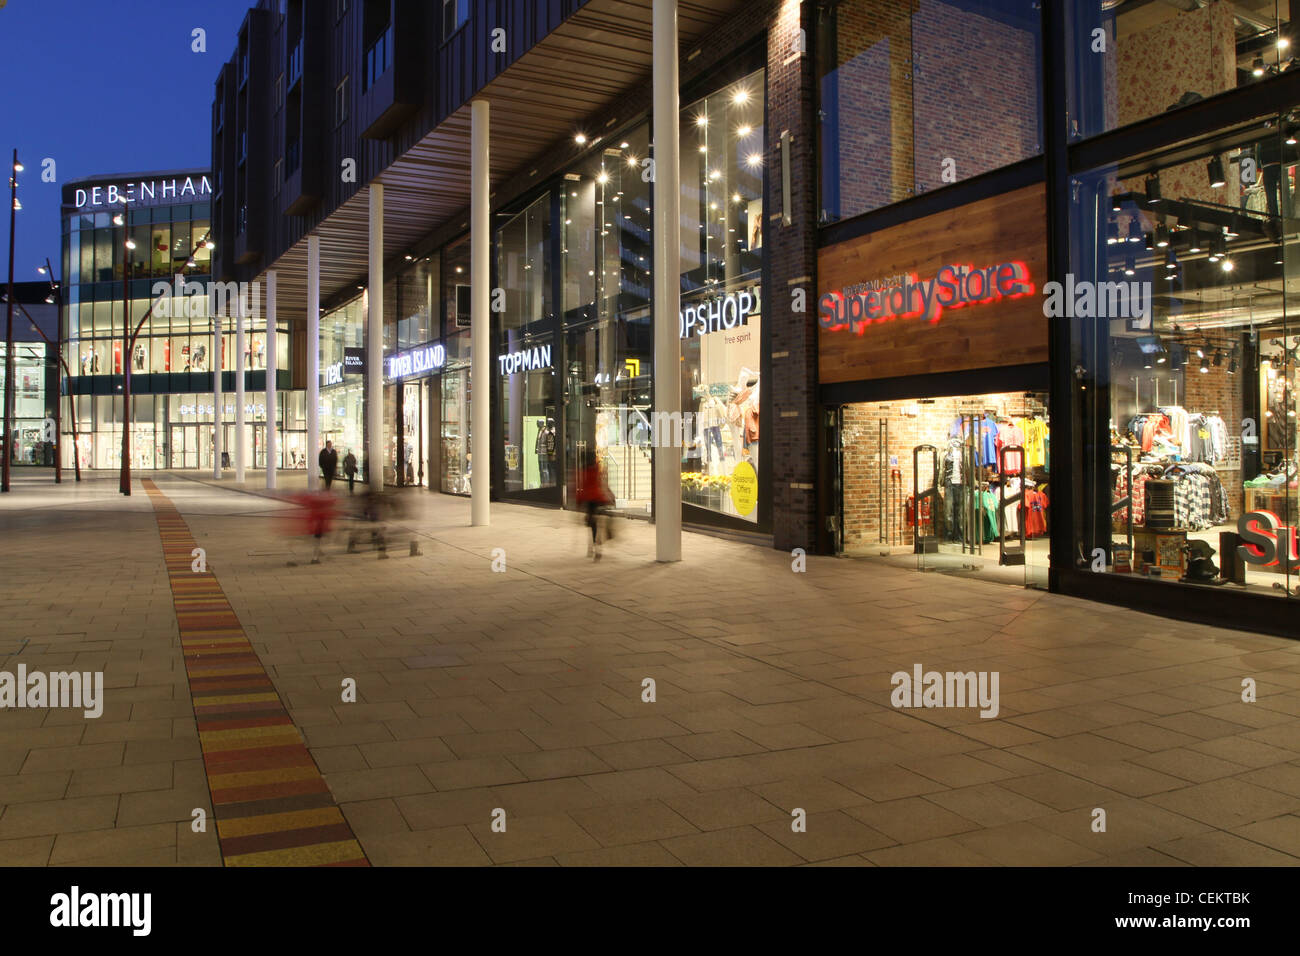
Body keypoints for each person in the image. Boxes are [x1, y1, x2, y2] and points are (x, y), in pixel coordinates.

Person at [575, 449, 615, 560]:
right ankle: (598, 543)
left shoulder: (583, 471)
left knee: (592, 525)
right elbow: (603, 484)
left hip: (589, 499)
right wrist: (610, 495)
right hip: (598, 498)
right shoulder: (598, 469)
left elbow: (581, 487)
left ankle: (593, 547)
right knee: (600, 521)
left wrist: (578, 502)